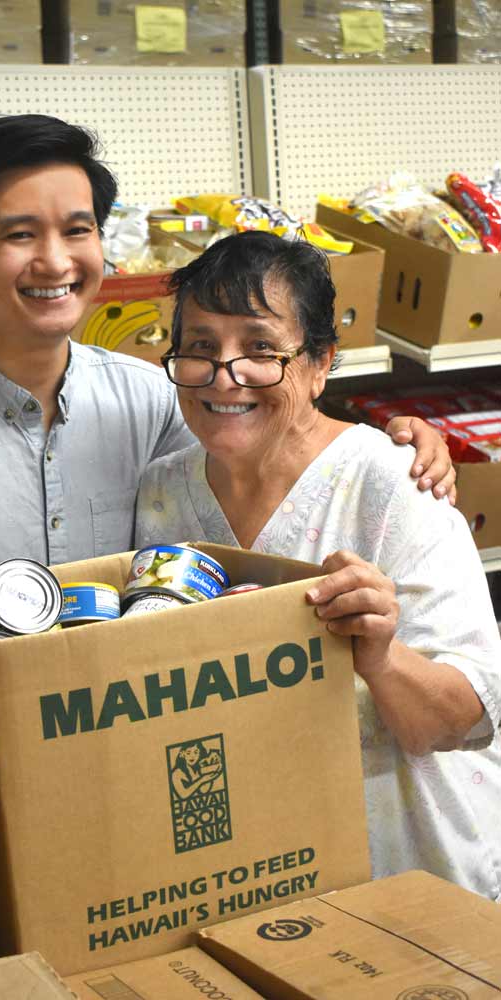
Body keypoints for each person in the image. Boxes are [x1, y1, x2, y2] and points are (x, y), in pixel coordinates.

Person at [0, 115, 454, 699]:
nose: (55, 261)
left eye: (77, 230)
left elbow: (267, 434)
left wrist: (393, 438)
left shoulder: (155, 398)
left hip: (126, 734)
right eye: (20, 236)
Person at [135, 230, 501, 900]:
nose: (225, 375)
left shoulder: (395, 483)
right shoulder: (160, 494)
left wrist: (382, 658)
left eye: (261, 349)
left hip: (415, 874)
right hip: (260, 873)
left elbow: (466, 717)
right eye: (199, 348)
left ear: (320, 363)